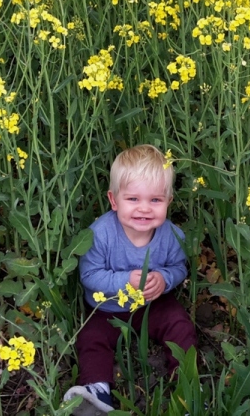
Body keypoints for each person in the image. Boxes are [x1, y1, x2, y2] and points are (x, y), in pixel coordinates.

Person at [63, 144, 198, 413]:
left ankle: (187, 383)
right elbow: (89, 275)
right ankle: (96, 392)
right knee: (90, 337)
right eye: (133, 199)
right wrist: (124, 281)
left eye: (155, 200)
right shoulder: (100, 234)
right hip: (106, 308)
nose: (144, 209)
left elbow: (179, 268)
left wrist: (164, 279)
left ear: (168, 202)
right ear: (114, 201)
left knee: (180, 324)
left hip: (153, 304)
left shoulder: (173, 236)